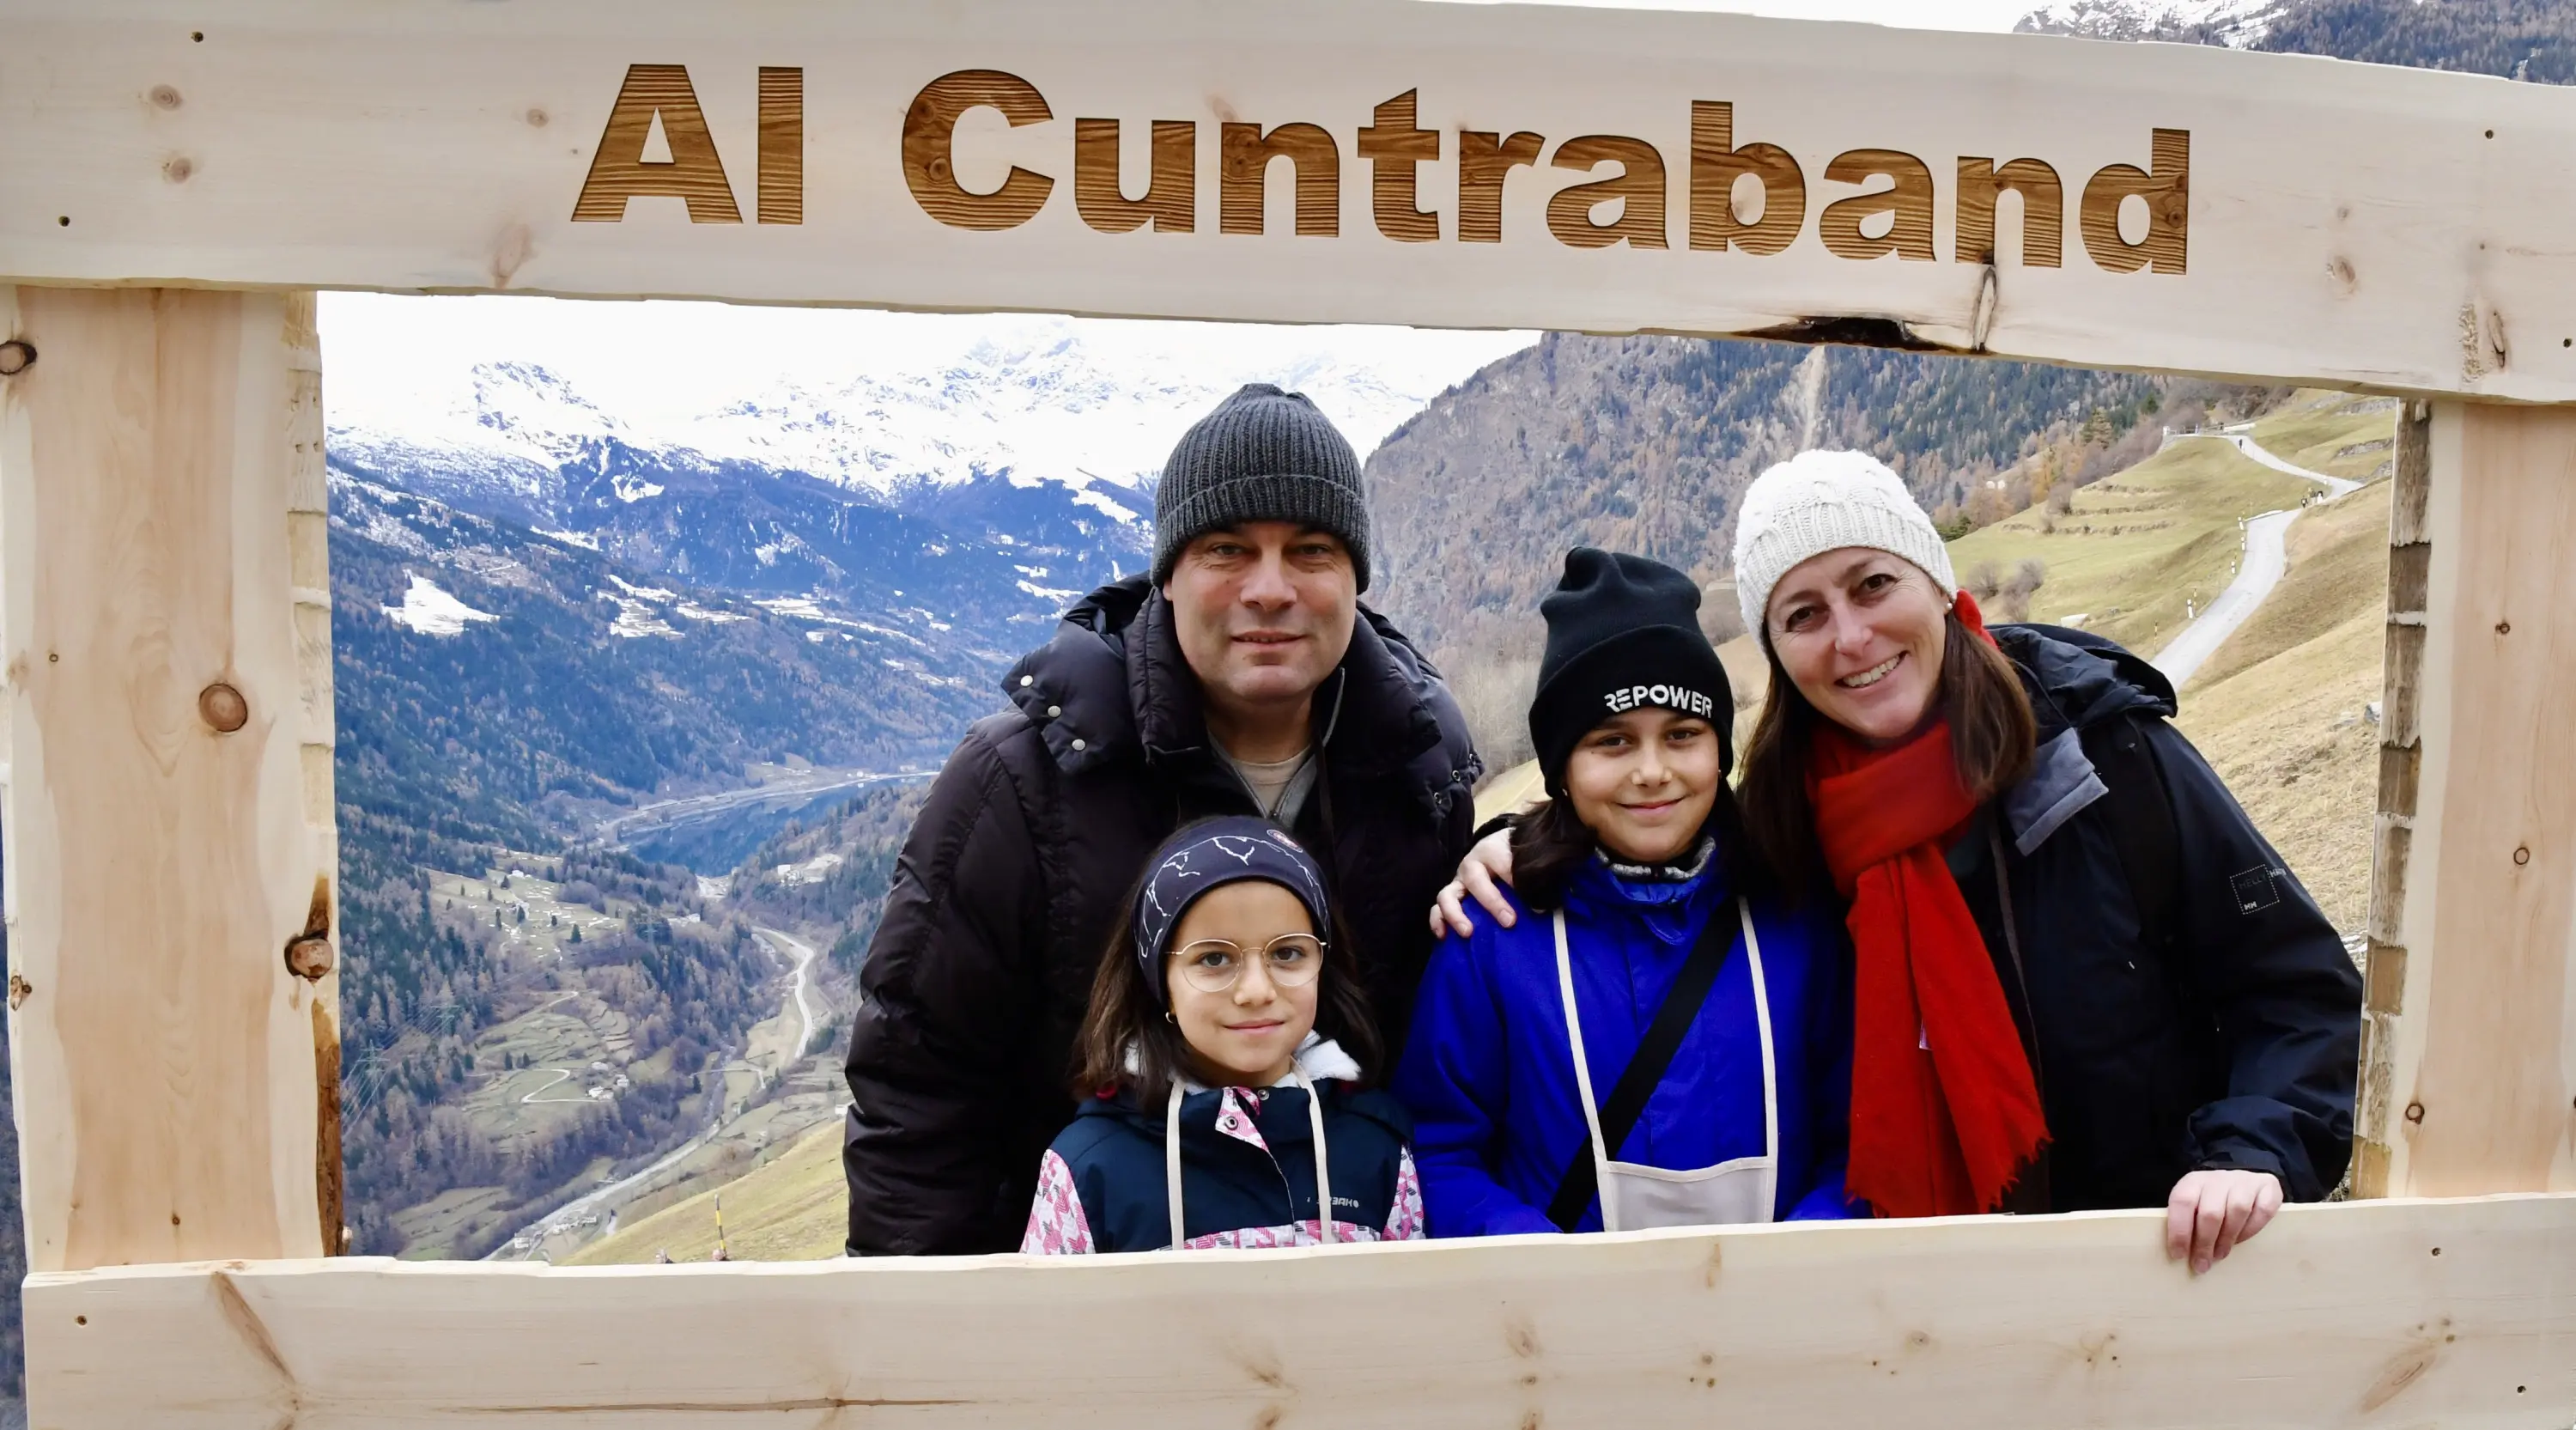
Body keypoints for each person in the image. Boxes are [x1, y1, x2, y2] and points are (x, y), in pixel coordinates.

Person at [1437, 452, 2362, 1275]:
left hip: (2152, 1269)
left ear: (1935, 582)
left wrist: (2251, 1151)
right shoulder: (1793, 830)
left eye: (1873, 584)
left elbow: (2296, 988)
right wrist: (1520, 841)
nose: (1849, 638)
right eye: (1803, 613)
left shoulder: (2104, 757)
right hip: (1923, 1310)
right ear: (1780, 654)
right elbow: (1647, 836)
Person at [843, 384, 1481, 1255]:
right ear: (1169, 575)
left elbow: (1447, 1060)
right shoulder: (1024, 782)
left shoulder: (1421, 774)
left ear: (1354, 577)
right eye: (1228, 549)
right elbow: (916, 1096)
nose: (1269, 589)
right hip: (1081, 1326)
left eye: (1311, 549)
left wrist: (1514, 847)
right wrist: (937, 1353)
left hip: (1348, 1326)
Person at [1396, 550, 1853, 1236]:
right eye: (1612, 741)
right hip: (1562, 1330)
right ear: (1561, 770)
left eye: (1682, 735)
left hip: (1779, 1324)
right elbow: (1438, 1147)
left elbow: (1859, 1133)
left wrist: (1803, 1256)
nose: (1652, 771)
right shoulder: (1491, 932)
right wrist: (1545, 1272)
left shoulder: (1797, 914)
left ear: (1719, 751)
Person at [1022, 818, 1423, 1253]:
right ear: (1160, 982)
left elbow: (1414, 1314)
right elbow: (1052, 1321)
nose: (1256, 991)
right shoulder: (1089, 1166)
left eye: (1288, 953)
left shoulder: (1375, 1147)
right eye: (1214, 959)